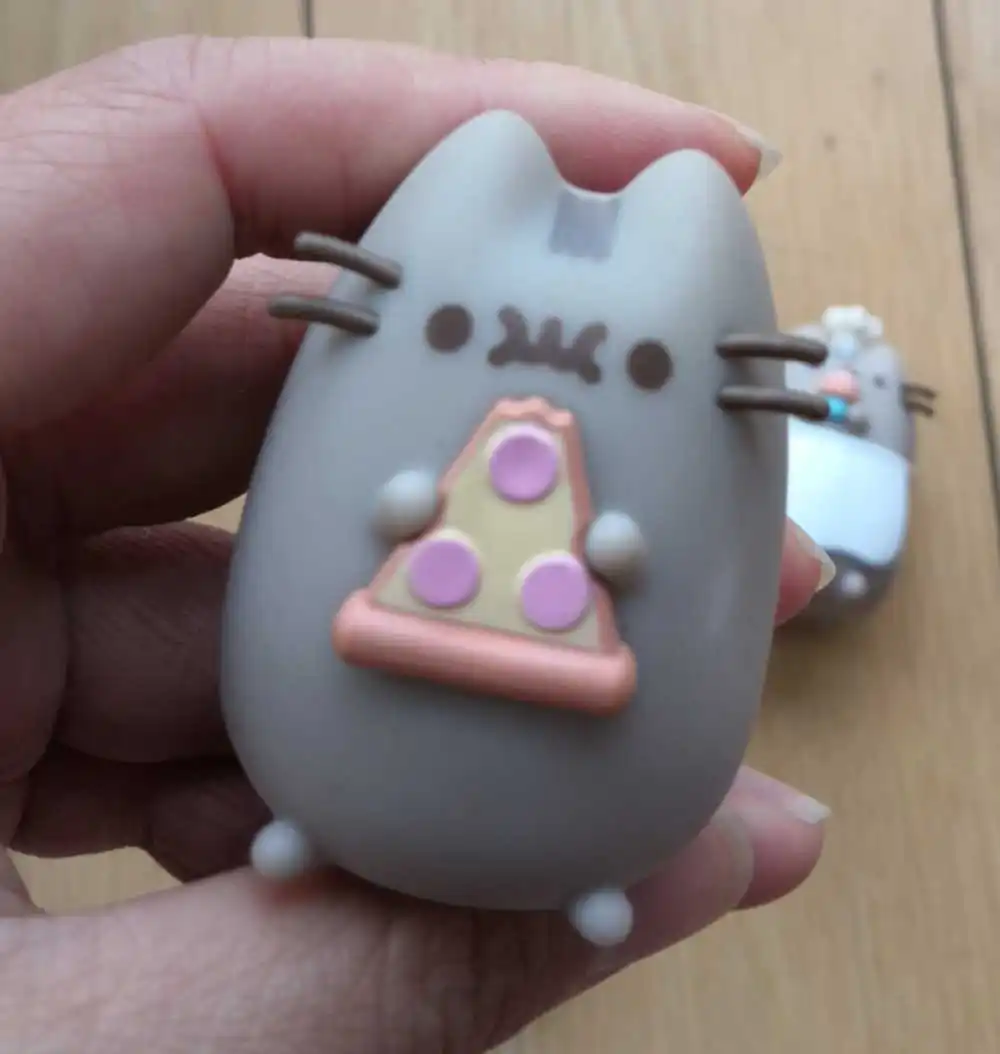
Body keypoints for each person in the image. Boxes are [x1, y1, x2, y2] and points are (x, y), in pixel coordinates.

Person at [0, 35, 832, 1052]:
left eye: (650, 369)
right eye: (447, 333)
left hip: (478, 788)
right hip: (373, 772)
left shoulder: (447, 279)